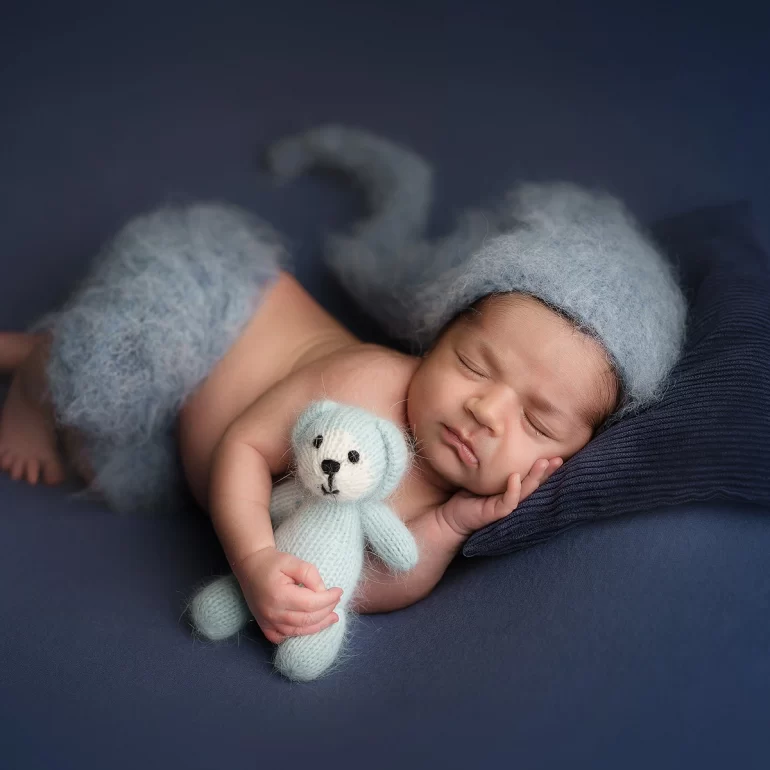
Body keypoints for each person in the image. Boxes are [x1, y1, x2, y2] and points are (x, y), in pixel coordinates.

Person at [0, 126, 687, 647]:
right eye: (476, 365)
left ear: (565, 458)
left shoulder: (461, 502)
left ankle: (39, 352)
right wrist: (256, 560)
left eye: (538, 422)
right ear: (435, 339)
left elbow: (363, 587)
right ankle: (34, 377)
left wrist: (452, 525)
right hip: (209, 299)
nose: (485, 410)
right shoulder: (371, 380)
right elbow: (242, 446)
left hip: (187, 420)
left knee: (115, 471)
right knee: (104, 374)